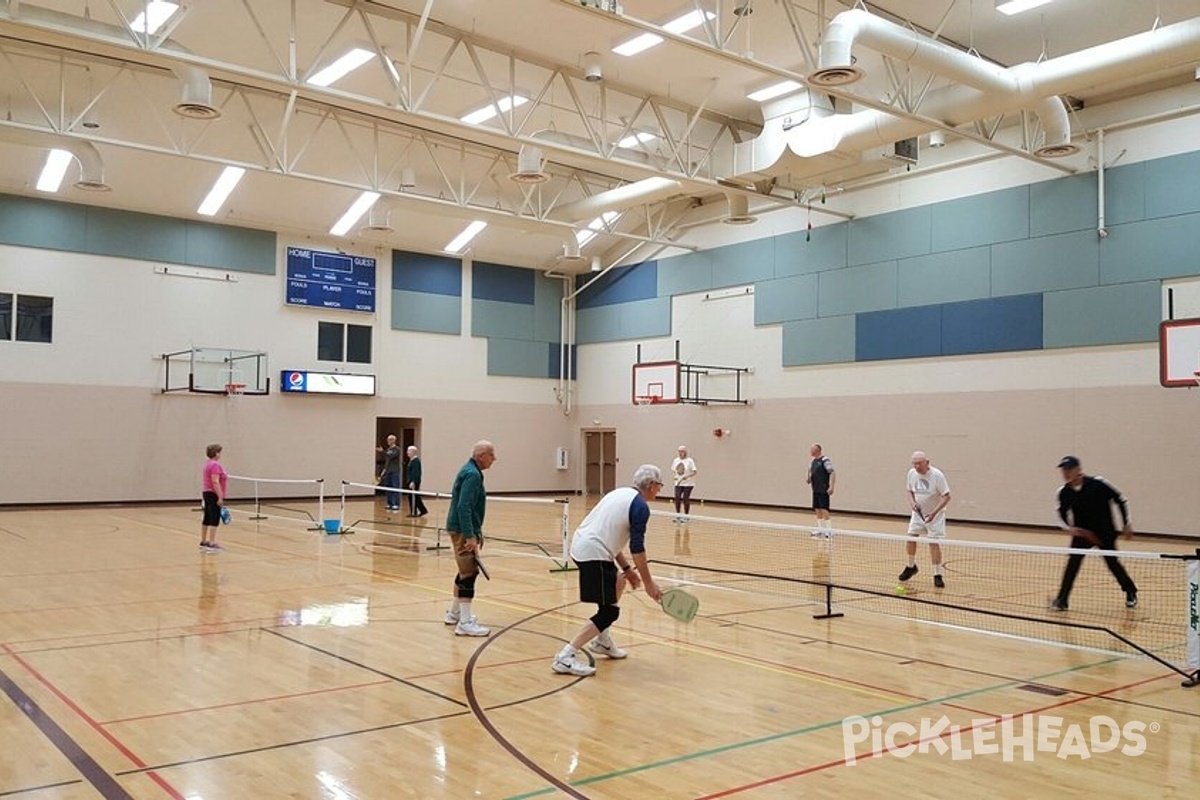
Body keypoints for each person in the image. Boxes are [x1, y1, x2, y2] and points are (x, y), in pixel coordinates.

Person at [552, 464, 666, 677]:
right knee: (609, 612)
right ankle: (565, 656)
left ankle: (602, 642)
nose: (659, 490)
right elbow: (637, 548)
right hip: (593, 552)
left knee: (618, 582)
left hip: (584, 546)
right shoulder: (640, 507)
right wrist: (649, 583)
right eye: (659, 485)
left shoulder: (620, 493)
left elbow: (609, 537)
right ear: (651, 485)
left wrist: (627, 569)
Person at [1050, 456, 1138, 611]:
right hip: (1082, 534)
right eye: (1064, 470)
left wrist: (1126, 523)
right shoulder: (1064, 492)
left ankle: (1130, 590)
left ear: (1078, 470)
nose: (1066, 473)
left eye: (1069, 469)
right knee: (1072, 565)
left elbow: (1121, 499)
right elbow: (1061, 515)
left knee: (1112, 564)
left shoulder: (1098, 484)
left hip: (1104, 533)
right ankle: (1062, 600)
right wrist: (1069, 528)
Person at [443, 440, 497, 636]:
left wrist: (476, 532)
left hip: (461, 528)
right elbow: (463, 507)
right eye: (491, 455)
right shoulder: (472, 475)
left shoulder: (471, 471)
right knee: (469, 574)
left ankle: (454, 614)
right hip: (461, 529)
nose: (494, 459)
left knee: (464, 570)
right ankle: (465, 623)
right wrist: (470, 536)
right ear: (481, 455)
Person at [899, 450, 951, 588]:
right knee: (911, 538)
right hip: (918, 514)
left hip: (935, 515)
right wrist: (912, 503)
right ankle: (911, 566)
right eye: (914, 464)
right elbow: (909, 491)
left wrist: (934, 513)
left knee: (933, 543)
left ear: (927, 462)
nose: (917, 467)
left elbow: (946, 496)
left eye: (919, 463)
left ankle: (937, 574)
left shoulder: (937, 475)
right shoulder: (911, 473)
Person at [200, 443, 227, 552]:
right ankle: (211, 542)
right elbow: (215, 481)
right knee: (214, 517)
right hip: (213, 493)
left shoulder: (207, 464)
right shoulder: (215, 465)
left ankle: (203, 541)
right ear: (216, 453)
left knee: (207, 516)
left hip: (206, 493)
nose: (220, 454)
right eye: (220, 452)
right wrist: (220, 496)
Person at [806, 443, 836, 535]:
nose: (810, 451)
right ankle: (820, 529)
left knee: (824, 509)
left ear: (817, 450)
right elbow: (811, 471)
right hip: (815, 489)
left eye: (812, 449)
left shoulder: (825, 460)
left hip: (823, 489)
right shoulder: (813, 461)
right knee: (817, 509)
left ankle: (829, 531)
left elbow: (832, 473)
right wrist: (809, 478)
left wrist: (831, 486)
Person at [671, 445, 697, 522]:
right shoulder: (675, 460)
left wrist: (687, 476)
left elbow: (694, 471)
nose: (680, 453)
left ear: (685, 452)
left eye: (682, 451)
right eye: (679, 451)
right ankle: (678, 516)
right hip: (678, 483)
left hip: (688, 484)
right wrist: (675, 477)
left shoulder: (690, 461)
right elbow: (673, 471)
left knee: (685, 499)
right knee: (677, 497)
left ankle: (686, 516)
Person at [376, 434, 402, 512]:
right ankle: (389, 503)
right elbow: (387, 461)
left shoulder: (397, 449)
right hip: (387, 471)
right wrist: (384, 470)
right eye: (388, 439)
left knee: (395, 487)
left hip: (394, 471)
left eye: (390, 439)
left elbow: (390, 456)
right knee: (388, 487)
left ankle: (396, 504)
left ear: (394, 440)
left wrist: (382, 451)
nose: (388, 441)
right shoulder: (388, 449)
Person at [405, 445, 429, 518]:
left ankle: (414, 512)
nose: (407, 452)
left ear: (413, 452)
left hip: (414, 482)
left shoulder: (416, 461)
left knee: (413, 497)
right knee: (415, 496)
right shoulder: (411, 461)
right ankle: (422, 510)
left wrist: (413, 481)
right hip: (411, 481)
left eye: (409, 451)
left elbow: (416, 473)